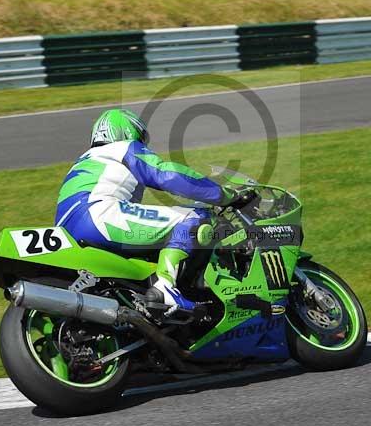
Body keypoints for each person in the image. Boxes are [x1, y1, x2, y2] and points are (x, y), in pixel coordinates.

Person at [55, 108, 249, 314]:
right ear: (127, 131)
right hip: (100, 215)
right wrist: (225, 195)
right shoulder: (123, 148)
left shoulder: (84, 160)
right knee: (194, 217)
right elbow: (168, 176)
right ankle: (165, 287)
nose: (141, 143)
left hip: (67, 231)